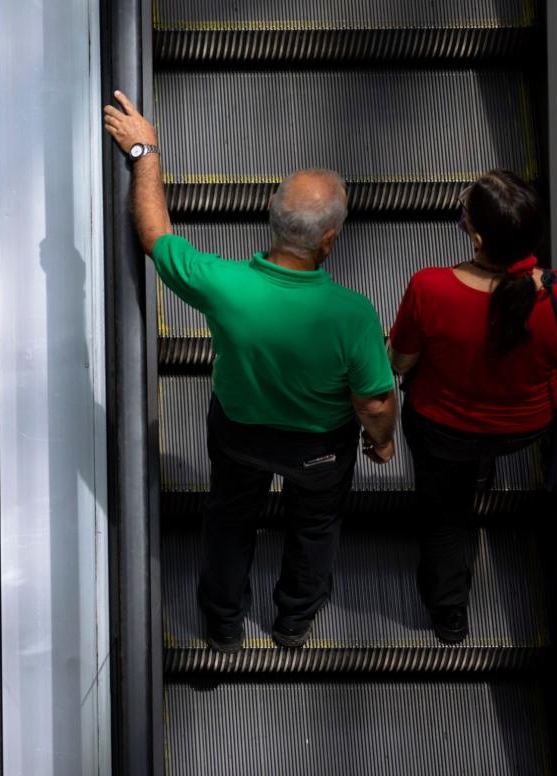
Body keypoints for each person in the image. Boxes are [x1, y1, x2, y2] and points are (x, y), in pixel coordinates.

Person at [103, 91, 397, 650]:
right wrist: (381, 444)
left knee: (230, 521)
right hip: (319, 449)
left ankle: (222, 623)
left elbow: (156, 236)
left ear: (270, 210)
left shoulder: (223, 285)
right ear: (330, 238)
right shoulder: (352, 315)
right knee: (314, 528)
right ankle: (293, 623)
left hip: (239, 434)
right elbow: (375, 402)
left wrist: (146, 151)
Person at [389, 169, 557, 644]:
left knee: (445, 517)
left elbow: (400, 360)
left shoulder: (430, 287)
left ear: (475, 237)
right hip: (521, 428)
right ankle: (483, 468)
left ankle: (449, 616)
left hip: (441, 431)